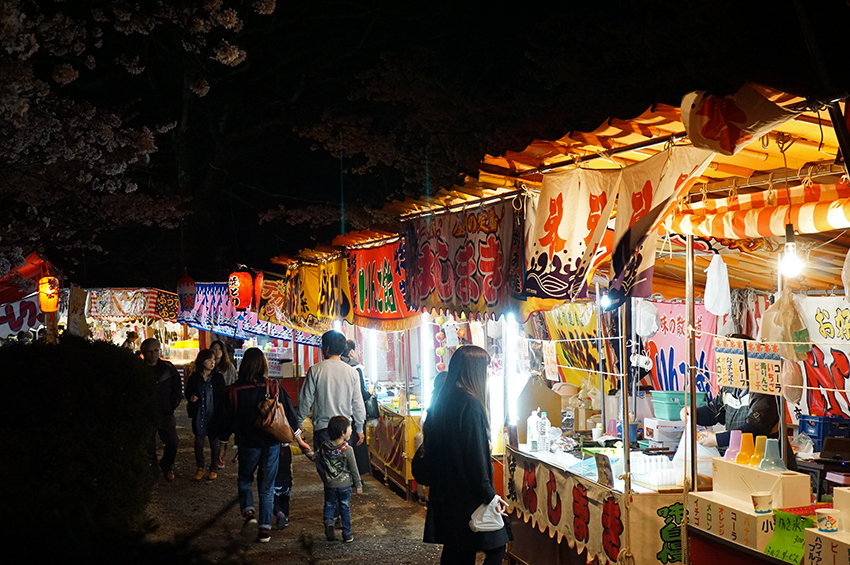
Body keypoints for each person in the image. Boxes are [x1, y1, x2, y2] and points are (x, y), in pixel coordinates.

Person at [422, 345, 511, 565]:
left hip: (446, 492)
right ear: (474, 370)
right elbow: (475, 458)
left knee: (457, 552)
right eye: (486, 368)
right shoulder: (471, 403)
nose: (488, 374)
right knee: (497, 545)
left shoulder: (443, 398)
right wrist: (491, 495)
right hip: (468, 495)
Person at [220, 347, 310, 543]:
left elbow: (226, 421)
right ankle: (264, 530)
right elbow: (289, 417)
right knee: (267, 486)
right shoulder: (273, 387)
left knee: (244, 480)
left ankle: (249, 514)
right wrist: (300, 440)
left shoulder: (234, 391)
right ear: (263, 364)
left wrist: (222, 446)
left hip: (248, 444)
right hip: (271, 444)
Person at [298, 330, 366, 452]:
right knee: (343, 468)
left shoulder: (315, 370)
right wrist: (360, 428)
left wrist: (298, 424)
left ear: (327, 348)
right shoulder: (353, 372)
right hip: (344, 431)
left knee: (324, 467)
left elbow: (305, 400)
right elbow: (358, 403)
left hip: (323, 430)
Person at [306, 415, 363, 543]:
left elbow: (314, 458)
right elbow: (354, 469)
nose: (351, 431)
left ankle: (329, 522)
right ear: (343, 433)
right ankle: (347, 534)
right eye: (349, 429)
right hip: (344, 485)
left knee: (329, 505)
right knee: (344, 507)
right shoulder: (348, 450)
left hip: (329, 484)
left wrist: (307, 451)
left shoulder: (325, 447)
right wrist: (358, 484)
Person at [141, 338, 182, 483]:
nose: (153, 354)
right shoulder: (139, 370)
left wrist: (172, 404)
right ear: (144, 353)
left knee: (172, 442)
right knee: (148, 444)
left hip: (165, 412)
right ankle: (153, 473)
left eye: (156, 351)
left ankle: (166, 465)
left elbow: (177, 387)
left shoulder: (168, 368)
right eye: (149, 352)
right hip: (146, 414)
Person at [185, 349, 226, 481]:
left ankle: (213, 468)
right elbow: (188, 392)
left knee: (214, 443)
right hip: (199, 414)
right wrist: (191, 398)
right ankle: (200, 467)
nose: (212, 362)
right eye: (209, 360)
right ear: (202, 361)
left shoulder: (218, 378)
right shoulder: (195, 377)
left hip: (213, 414)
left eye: (213, 360)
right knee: (199, 442)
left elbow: (222, 396)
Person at [341, 339, 371, 475]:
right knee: (356, 446)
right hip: (353, 414)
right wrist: (369, 393)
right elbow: (359, 396)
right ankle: (356, 477)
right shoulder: (356, 369)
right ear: (352, 351)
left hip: (340, 412)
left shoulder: (338, 366)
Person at [211, 339, 238, 468]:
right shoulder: (208, 367)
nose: (216, 352)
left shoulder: (229, 367)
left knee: (224, 428)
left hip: (226, 401)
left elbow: (233, 383)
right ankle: (217, 455)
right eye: (214, 349)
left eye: (219, 349)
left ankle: (220, 454)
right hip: (212, 401)